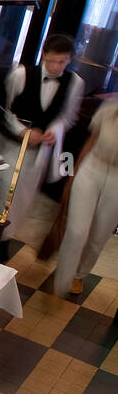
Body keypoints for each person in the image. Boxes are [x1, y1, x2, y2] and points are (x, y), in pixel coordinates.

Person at [0, 34, 83, 244]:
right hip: (9, 145)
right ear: (43, 55)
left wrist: (55, 130)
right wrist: (23, 130)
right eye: (51, 61)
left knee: (22, 198)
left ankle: (5, 240)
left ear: (69, 60)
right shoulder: (21, 75)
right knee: (1, 189)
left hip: (39, 153)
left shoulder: (75, 83)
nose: (55, 67)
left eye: (61, 62)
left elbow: (68, 116)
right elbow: (4, 109)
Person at [52, 96, 118, 297]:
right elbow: (91, 141)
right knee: (77, 230)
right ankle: (61, 280)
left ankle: (79, 275)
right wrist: (73, 175)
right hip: (92, 168)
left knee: (99, 235)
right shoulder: (109, 108)